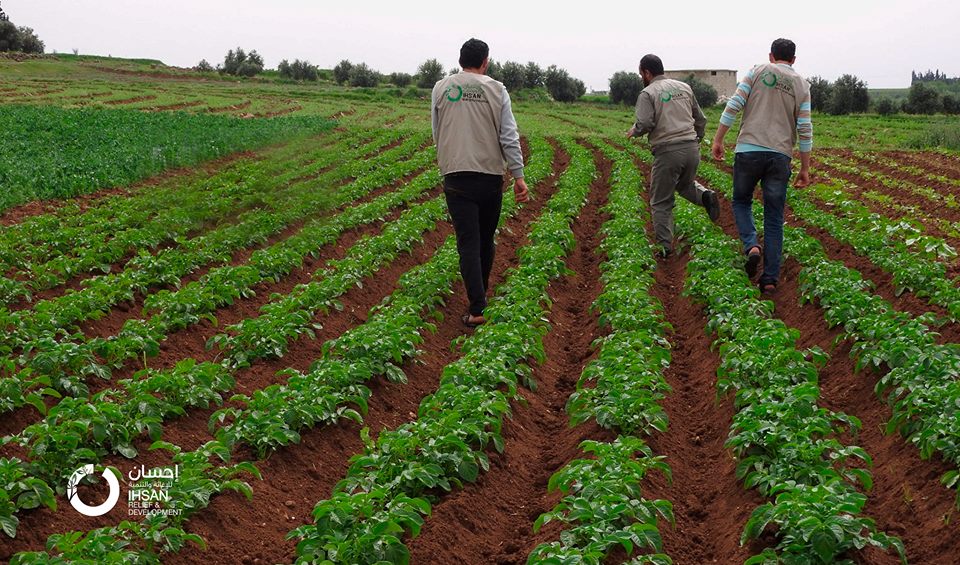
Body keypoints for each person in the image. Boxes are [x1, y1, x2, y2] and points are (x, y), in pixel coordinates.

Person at [431, 38, 529, 328]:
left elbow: (437, 132)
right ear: (485, 61)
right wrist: (519, 176)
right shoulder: (497, 90)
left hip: (456, 175)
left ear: (460, 60)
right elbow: (508, 135)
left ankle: (477, 306)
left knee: (468, 243)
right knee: (485, 240)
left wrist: (448, 160)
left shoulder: (442, 88)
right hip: (489, 177)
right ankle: (480, 300)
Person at [711, 38, 812, 294]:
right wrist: (804, 167)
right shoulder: (802, 84)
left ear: (771, 56)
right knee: (775, 218)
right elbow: (805, 128)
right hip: (780, 156)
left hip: (749, 151)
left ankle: (751, 245)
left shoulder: (757, 71)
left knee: (742, 201)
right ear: (794, 60)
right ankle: (769, 280)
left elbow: (734, 105)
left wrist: (719, 138)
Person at [627, 54, 721, 258]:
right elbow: (701, 119)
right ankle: (705, 196)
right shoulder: (684, 87)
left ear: (646, 72)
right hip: (691, 148)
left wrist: (634, 131)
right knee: (684, 185)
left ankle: (664, 248)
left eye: (641, 73)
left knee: (660, 200)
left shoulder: (648, 92)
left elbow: (645, 123)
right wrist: (697, 139)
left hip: (668, 151)